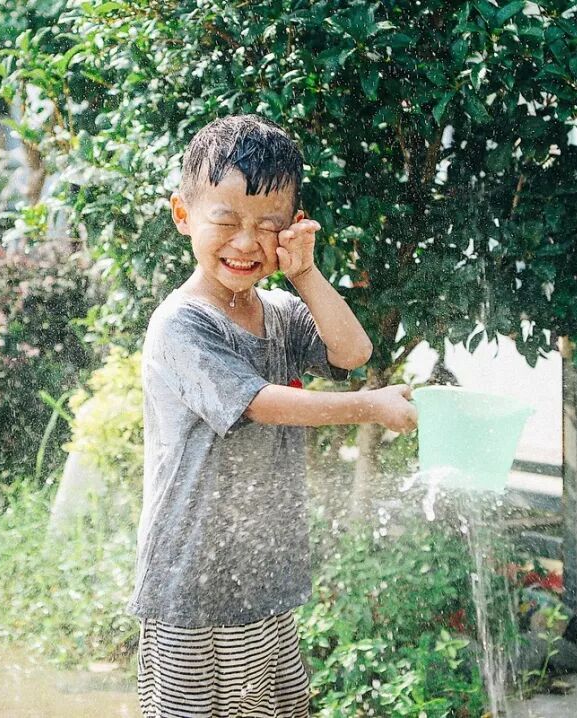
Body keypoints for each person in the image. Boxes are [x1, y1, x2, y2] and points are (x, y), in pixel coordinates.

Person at [128, 114, 418, 717]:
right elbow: (261, 404)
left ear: (291, 228)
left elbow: (353, 352)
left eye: (268, 225)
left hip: (262, 575)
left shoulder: (281, 311)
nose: (245, 242)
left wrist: (305, 273)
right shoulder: (182, 323)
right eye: (226, 220)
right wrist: (369, 406)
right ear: (183, 215)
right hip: (190, 582)